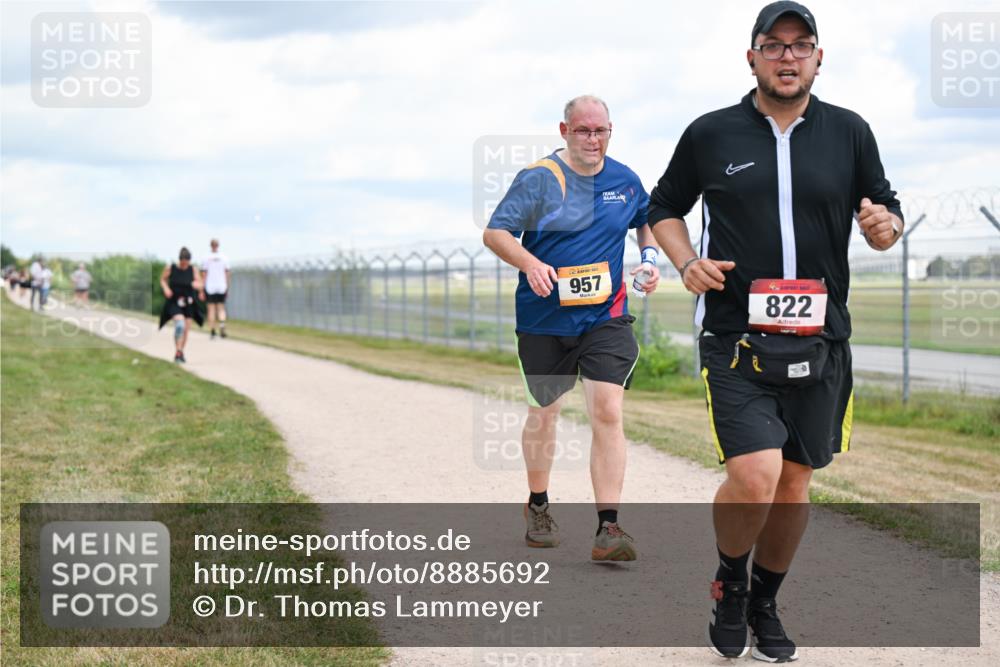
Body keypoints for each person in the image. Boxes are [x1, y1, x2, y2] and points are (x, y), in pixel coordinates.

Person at [647, 2, 903, 661]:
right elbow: (664, 208)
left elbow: (885, 208)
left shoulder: (849, 132)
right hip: (736, 335)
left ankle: (766, 597)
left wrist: (883, 226)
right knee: (756, 474)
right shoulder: (712, 133)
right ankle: (730, 582)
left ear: (819, 58)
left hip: (822, 341)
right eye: (774, 44)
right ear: (752, 57)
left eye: (801, 44)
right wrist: (686, 261)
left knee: (793, 482)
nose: (787, 56)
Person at [483, 95, 661, 562]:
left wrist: (648, 260)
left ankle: (609, 527)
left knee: (607, 410)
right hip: (544, 319)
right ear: (564, 131)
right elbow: (496, 232)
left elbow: (646, 221)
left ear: (610, 132)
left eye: (601, 131)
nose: (593, 140)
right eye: (583, 131)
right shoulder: (540, 179)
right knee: (545, 413)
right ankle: (538, 506)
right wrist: (530, 262)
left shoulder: (624, 180)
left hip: (605, 316)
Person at [159, 247, 204, 363]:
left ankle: (179, 352)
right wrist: (166, 288)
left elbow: (201, 285)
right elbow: (163, 280)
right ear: (180, 260)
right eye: (182, 263)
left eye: (186, 263)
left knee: (185, 331)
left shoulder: (193, 270)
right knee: (180, 325)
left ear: (189, 261)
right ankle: (178, 351)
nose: (184, 266)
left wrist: (196, 285)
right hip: (174, 302)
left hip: (188, 303)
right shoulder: (171, 268)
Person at [200, 238, 231, 339]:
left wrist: (202, 288)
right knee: (221, 308)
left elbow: (204, 274)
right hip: (221, 286)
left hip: (210, 286)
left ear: (211, 245)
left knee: (211, 309)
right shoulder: (224, 257)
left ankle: (213, 331)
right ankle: (222, 325)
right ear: (218, 245)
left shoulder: (206, 258)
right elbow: (227, 273)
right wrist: (227, 287)